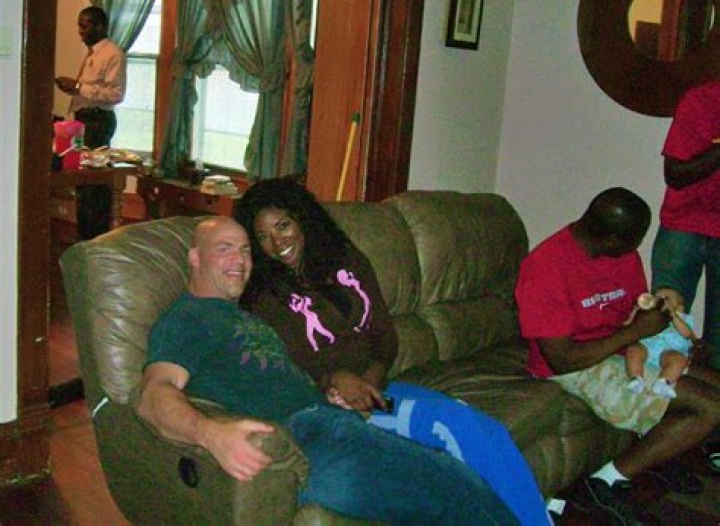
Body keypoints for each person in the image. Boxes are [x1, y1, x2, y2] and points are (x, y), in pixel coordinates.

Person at [138, 216, 518, 525]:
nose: (240, 260)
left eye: (245, 250)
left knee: (451, 468)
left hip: (335, 417)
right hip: (312, 439)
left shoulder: (242, 317)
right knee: (456, 487)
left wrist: (328, 393)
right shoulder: (188, 318)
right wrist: (209, 433)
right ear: (194, 257)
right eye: (224, 249)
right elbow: (153, 395)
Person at [234, 177, 550, 526]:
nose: (277, 243)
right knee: (448, 431)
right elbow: (285, 362)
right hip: (328, 406)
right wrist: (332, 380)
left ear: (302, 219)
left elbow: (384, 333)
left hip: (377, 390)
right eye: (263, 236)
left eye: (283, 226)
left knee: (479, 429)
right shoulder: (263, 296)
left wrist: (372, 378)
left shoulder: (345, 259)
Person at [515, 187, 720, 525]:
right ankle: (603, 484)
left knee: (714, 381)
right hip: (575, 365)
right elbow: (561, 360)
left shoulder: (619, 252)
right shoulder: (545, 268)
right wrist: (634, 333)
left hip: (622, 347)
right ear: (610, 238)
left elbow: (633, 310)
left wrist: (671, 330)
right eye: (634, 240)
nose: (637, 247)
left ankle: (660, 457)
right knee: (708, 406)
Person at [651, 80, 720, 371]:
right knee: (664, 325)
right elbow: (675, 174)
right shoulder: (702, 100)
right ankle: (656, 390)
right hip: (684, 224)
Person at [55, 5, 126, 239]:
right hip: (83, 121)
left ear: (100, 26)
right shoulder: (92, 54)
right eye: (79, 26)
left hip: (98, 122)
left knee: (94, 184)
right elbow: (89, 90)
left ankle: (96, 239)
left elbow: (115, 94)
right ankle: (84, 238)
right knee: (82, 184)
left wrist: (77, 87)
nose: (80, 31)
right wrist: (72, 89)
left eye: (84, 26)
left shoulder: (113, 54)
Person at [623, 289, 695, 400]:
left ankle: (664, 382)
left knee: (679, 360)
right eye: (657, 298)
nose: (661, 301)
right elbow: (627, 326)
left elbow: (687, 334)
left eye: (667, 298)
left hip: (670, 351)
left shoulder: (683, 318)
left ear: (680, 307)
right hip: (647, 347)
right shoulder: (650, 315)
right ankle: (636, 378)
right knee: (633, 350)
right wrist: (635, 311)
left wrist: (673, 315)